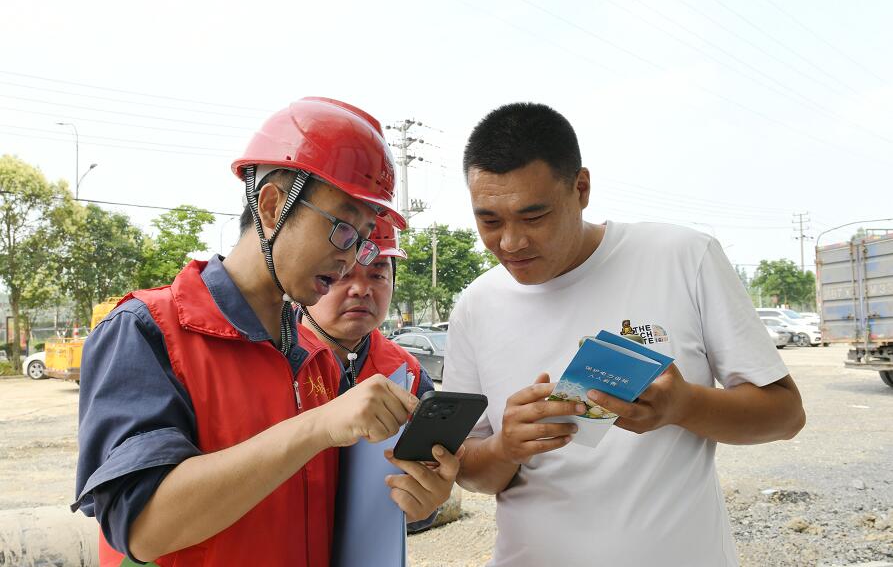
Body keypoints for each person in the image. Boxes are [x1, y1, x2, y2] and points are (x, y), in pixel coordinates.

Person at [443, 102, 806, 566]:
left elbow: (785, 415)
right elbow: (471, 472)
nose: (511, 242)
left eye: (533, 217)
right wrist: (504, 447)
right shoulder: (476, 305)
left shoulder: (682, 257)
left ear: (581, 188)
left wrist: (684, 405)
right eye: (490, 221)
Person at [73, 97, 420, 567]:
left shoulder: (315, 358)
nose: (349, 257)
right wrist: (317, 426)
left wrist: (418, 494)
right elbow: (143, 527)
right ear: (274, 206)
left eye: (361, 239)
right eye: (343, 228)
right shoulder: (147, 331)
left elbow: (344, 511)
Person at [301, 218, 460, 529]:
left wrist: (424, 503)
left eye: (377, 274)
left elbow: (418, 496)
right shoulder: (270, 355)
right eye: (343, 273)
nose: (362, 289)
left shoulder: (408, 373)